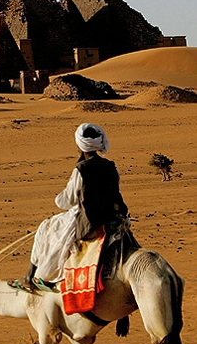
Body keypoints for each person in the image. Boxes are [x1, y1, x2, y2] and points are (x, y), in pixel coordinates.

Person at [9, 123, 128, 292]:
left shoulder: (81, 169)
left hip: (90, 220)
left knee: (47, 227)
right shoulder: (111, 166)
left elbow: (68, 199)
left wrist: (59, 198)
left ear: (80, 146)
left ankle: (30, 276)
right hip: (114, 217)